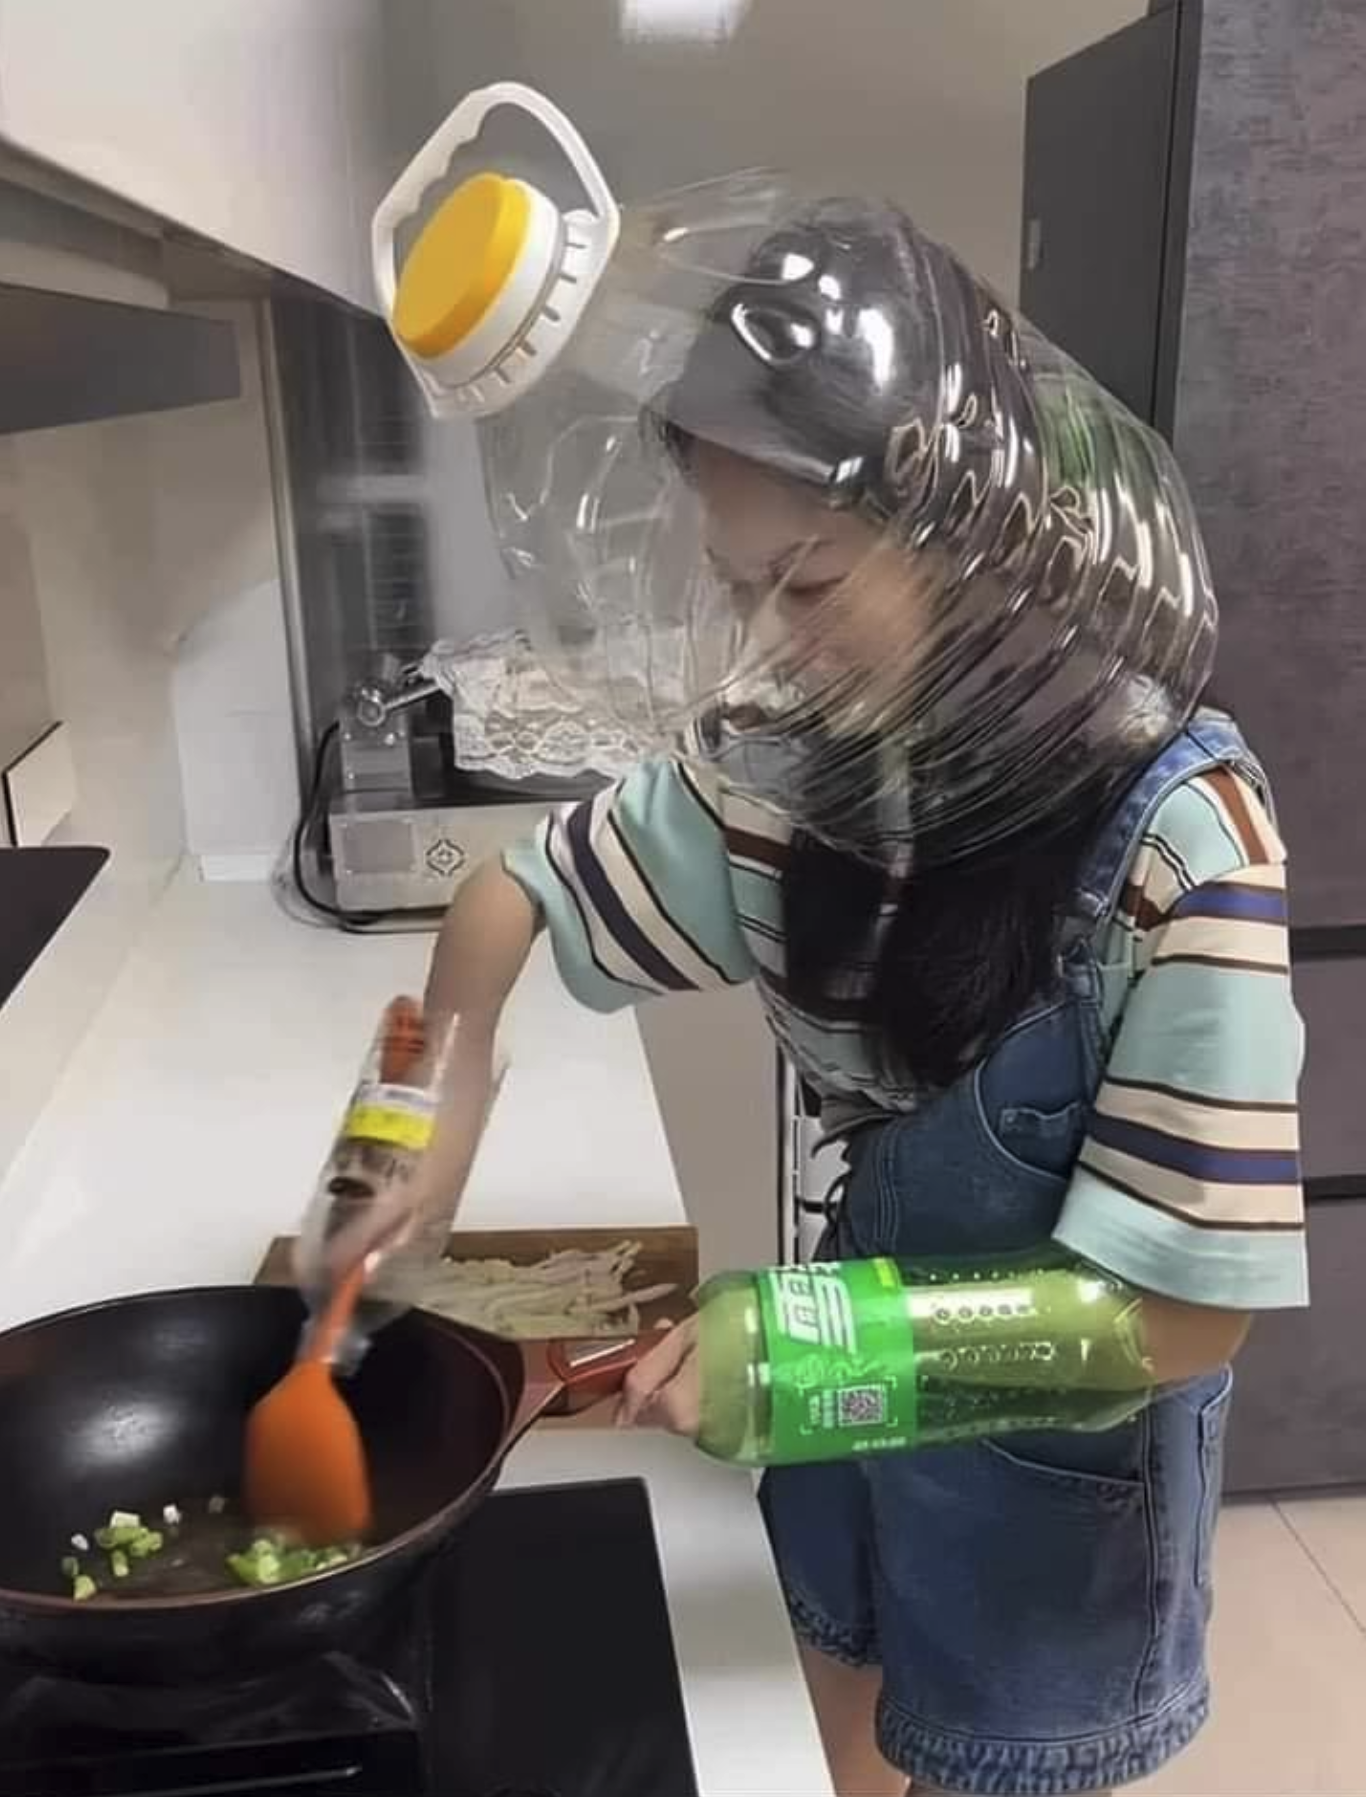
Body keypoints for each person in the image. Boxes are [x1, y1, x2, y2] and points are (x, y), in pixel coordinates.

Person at [367, 192, 1308, 1796]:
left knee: (994, 1755)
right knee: (833, 1721)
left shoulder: (1181, 849)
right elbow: (509, 892)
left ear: (984, 530)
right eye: (737, 592)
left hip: (1050, 1485)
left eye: (803, 586)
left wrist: (807, 1355)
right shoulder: (809, 773)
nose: (768, 654)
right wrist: (410, 1132)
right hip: (840, 1428)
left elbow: (1181, 1319)